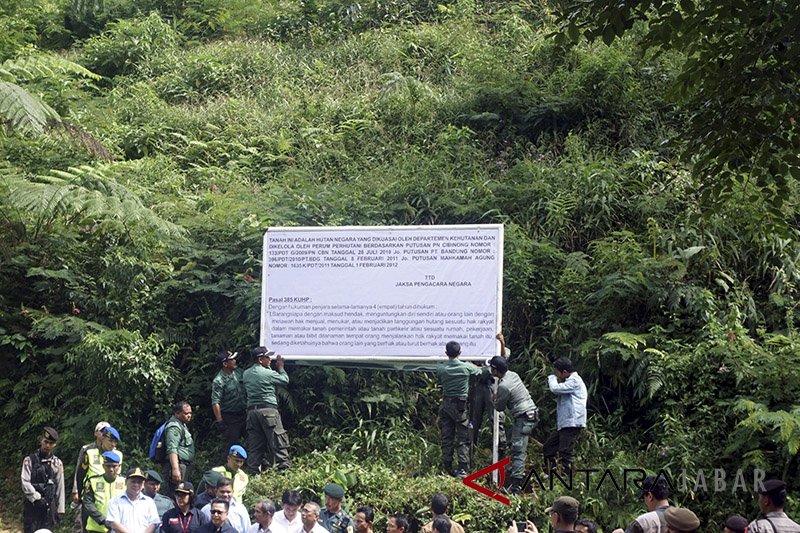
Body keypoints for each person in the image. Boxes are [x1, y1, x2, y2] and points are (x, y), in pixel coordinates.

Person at [490, 355, 538, 494]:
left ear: (495, 370)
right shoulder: (513, 375)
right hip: (529, 413)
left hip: (524, 417)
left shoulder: (504, 386)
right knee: (516, 446)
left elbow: (499, 407)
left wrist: (494, 398)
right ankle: (515, 477)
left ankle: (515, 487)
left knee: (518, 450)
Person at [435, 340, 483, 477]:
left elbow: (439, 374)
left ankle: (447, 467)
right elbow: (480, 372)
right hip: (460, 406)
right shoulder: (466, 367)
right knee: (463, 437)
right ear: (460, 353)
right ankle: (462, 468)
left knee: (447, 437)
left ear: (446, 353)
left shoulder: (441, 369)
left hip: (446, 405)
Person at [243, 346, 291, 472]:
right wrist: (280, 367)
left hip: (252, 413)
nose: (270, 359)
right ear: (260, 360)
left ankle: (252, 474)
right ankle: (284, 472)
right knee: (278, 443)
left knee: (255, 447)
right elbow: (285, 380)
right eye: (267, 357)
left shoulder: (246, 374)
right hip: (268, 412)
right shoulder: (268, 373)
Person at [543, 357, 587, 476]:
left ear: (565, 372)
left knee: (565, 452)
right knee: (548, 447)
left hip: (572, 422)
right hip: (565, 423)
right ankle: (552, 475)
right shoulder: (569, 381)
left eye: (557, 372)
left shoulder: (575, 381)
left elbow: (555, 389)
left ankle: (568, 480)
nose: (555, 375)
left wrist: (551, 379)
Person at [470, 333, 509, 454]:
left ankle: (501, 450)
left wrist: (502, 342)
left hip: (493, 386)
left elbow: (504, 358)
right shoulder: (475, 344)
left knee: (496, 418)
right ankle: (471, 452)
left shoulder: (496, 345)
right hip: (478, 386)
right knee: (474, 420)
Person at [21, 427, 65, 533]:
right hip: (33, 506)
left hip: (49, 508)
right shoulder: (29, 460)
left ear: (55, 444)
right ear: (41, 440)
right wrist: (36, 497)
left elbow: (60, 487)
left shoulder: (57, 463)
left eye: (51, 443)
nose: (48, 446)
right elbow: (25, 482)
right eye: (46, 442)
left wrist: (60, 510)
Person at [71, 421, 110, 533]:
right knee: (80, 522)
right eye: (102, 431)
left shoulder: (113, 451)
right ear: (96, 433)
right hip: (87, 489)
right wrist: (76, 490)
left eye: (107, 432)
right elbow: (79, 471)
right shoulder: (87, 449)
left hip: (104, 492)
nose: (104, 434)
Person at [212, 350, 247, 460]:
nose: (235, 361)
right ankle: (230, 466)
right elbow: (215, 402)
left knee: (252, 439)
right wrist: (220, 421)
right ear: (225, 364)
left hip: (244, 413)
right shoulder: (219, 380)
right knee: (233, 444)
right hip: (230, 417)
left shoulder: (239, 373)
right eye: (232, 359)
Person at [106, 467, 160, 533]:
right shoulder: (115, 501)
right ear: (125, 482)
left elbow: (153, 523)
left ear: (143, 484)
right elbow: (114, 524)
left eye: (139, 482)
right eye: (133, 481)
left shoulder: (149, 502)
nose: (136, 485)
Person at [83, 451, 126, 533]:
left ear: (119, 466)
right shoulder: (93, 481)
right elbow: (87, 503)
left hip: (118, 528)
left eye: (114, 466)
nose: (111, 469)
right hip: (96, 529)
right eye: (108, 466)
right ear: (103, 466)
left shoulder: (125, 482)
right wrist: (102, 520)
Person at [163, 401, 196, 498]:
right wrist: (175, 469)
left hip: (183, 466)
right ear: (177, 413)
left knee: (182, 493)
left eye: (190, 413)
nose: (189, 415)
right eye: (186, 413)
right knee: (176, 494)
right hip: (178, 465)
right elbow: (172, 449)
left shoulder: (182, 425)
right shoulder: (174, 427)